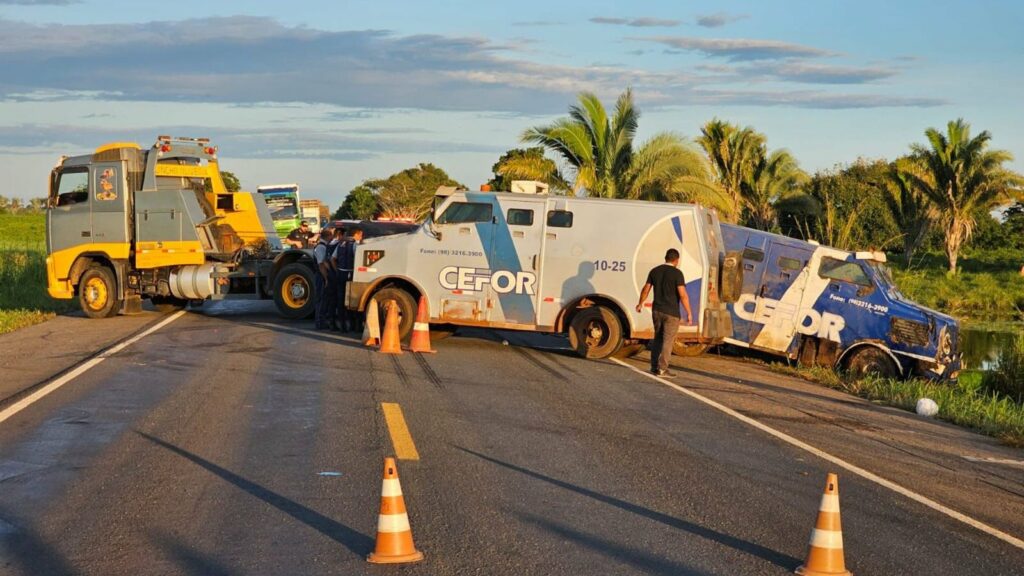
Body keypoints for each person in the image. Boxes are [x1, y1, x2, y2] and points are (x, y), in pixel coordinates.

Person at [635, 248, 693, 377]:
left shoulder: (655, 271)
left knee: (658, 339)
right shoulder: (677, 274)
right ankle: (663, 369)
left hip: (657, 311)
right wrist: (689, 312)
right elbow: (683, 295)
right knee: (668, 341)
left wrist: (640, 303)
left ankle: (654, 366)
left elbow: (646, 289)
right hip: (671, 313)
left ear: (665, 258)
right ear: (676, 260)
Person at [333, 227, 364, 332]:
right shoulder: (355, 245)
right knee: (353, 300)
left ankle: (342, 326)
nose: (361, 237)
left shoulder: (340, 245)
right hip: (351, 273)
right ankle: (355, 325)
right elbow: (358, 259)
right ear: (356, 234)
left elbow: (333, 259)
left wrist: (337, 270)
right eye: (360, 235)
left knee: (341, 300)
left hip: (341, 273)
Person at [313, 227, 337, 330]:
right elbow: (321, 264)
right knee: (321, 300)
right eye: (331, 235)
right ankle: (319, 323)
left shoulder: (323, 246)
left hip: (321, 275)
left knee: (324, 299)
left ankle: (322, 321)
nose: (332, 237)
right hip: (320, 276)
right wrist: (326, 278)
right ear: (327, 236)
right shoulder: (321, 247)